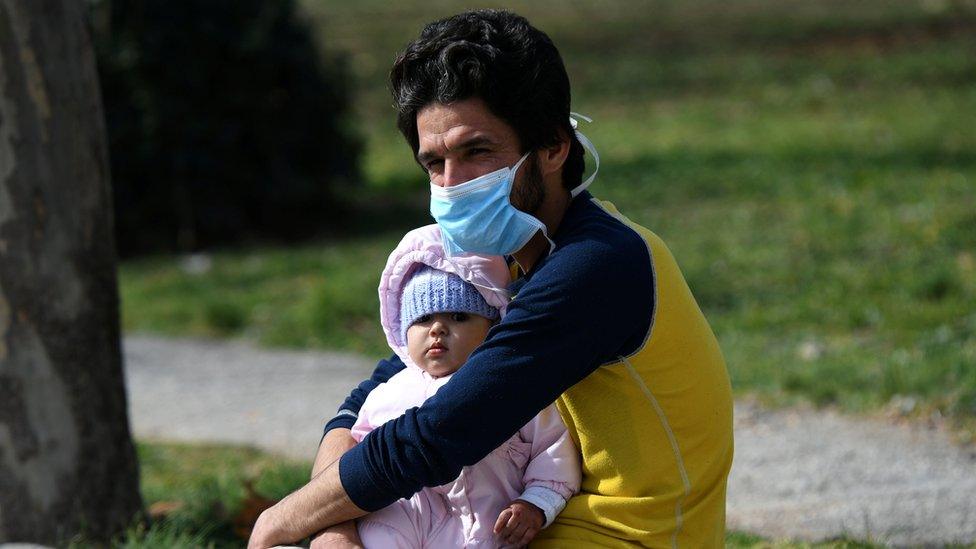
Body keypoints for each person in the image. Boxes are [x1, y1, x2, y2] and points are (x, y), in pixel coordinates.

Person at [249, 9, 733, 549]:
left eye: (476, 151)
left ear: (553, 146)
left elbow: (443, 432)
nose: (451, 186)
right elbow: (394, 378)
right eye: (434, 163)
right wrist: (332, 523)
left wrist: (283, 518)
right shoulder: (511, 256)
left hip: (625, 537)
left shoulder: (597, 263)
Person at [352, 225, 580, 548]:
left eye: (459, 316)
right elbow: (355, 457)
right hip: (408, 517)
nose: (437, 330)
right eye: (422, 319)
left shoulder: (513, 388)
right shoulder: (386, 395)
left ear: (492, 327)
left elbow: (553, 449)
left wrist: (535, 503)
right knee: (380, 527)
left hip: (492, 524)